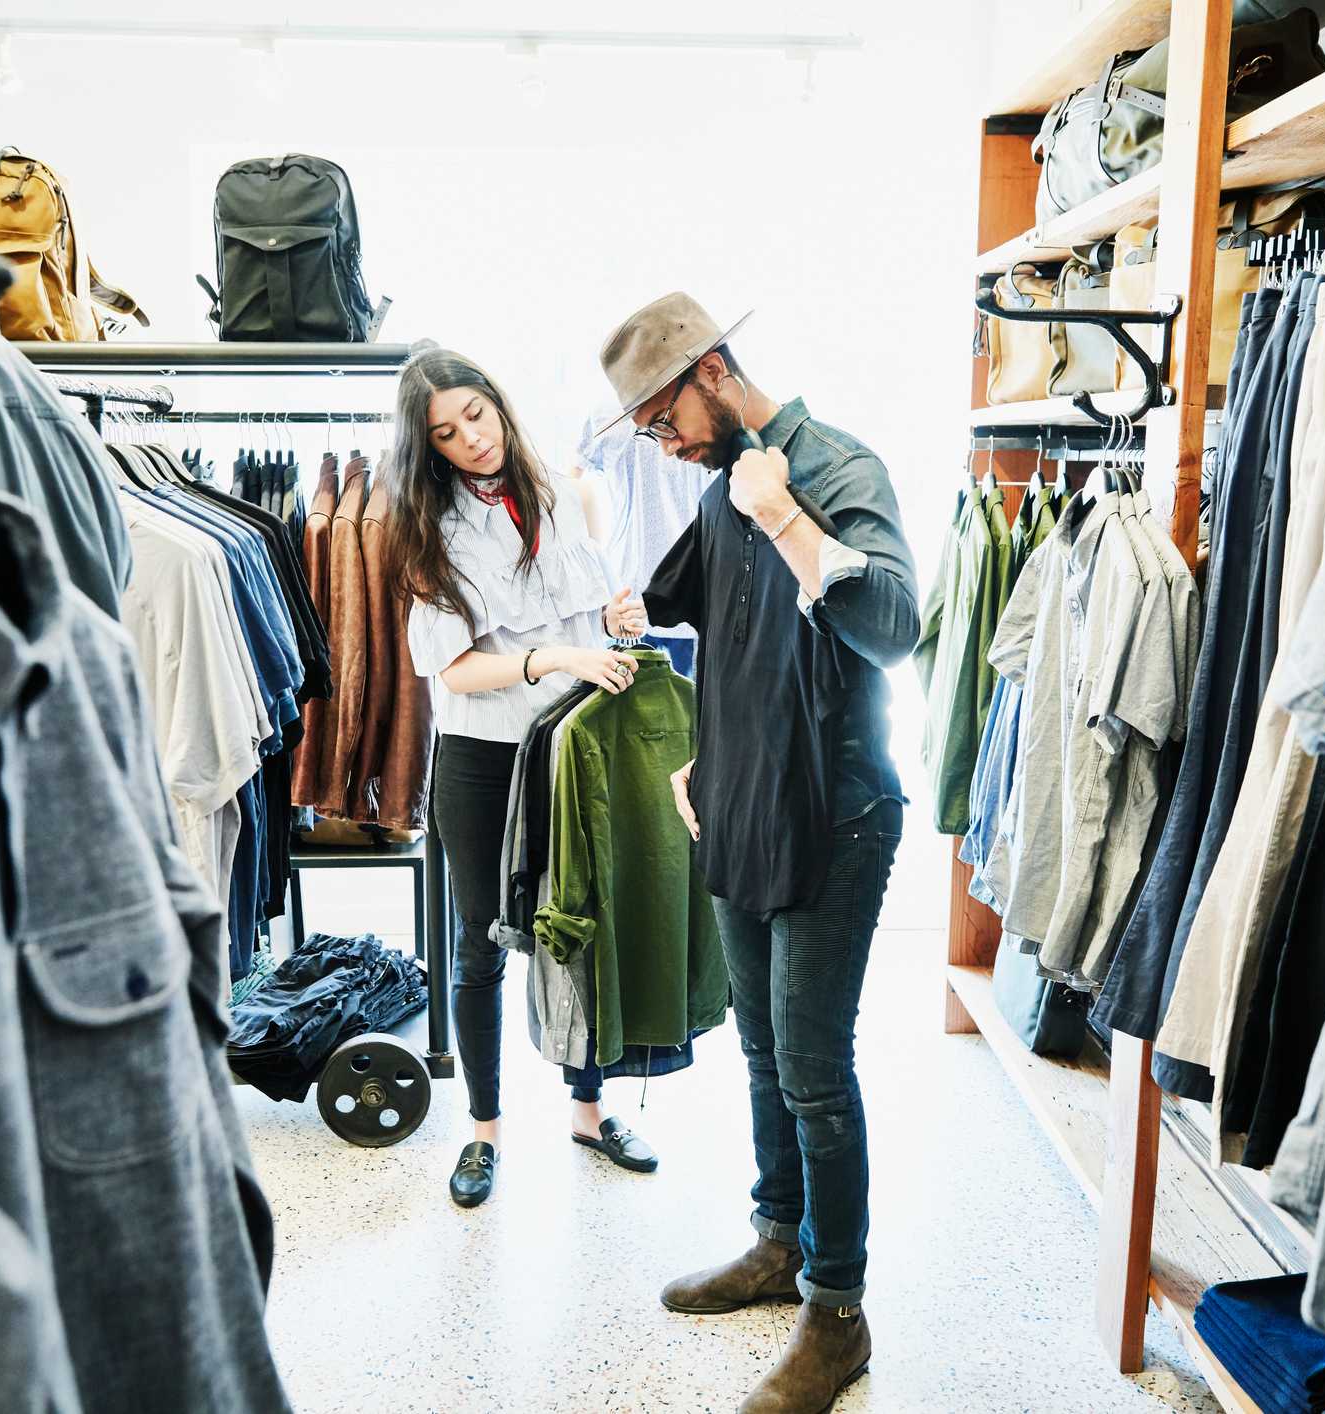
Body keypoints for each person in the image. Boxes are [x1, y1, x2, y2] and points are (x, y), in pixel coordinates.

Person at [600, 293, 918, 1414]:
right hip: (740, 805)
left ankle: (838, 1314)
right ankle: (779, 1241)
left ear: (715, 372)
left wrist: (785, 518)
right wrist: (707, 752)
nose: (665, 443)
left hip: (836, 814)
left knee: (816, 1070)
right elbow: (718, 637)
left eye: (664, 419)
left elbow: (894, 628)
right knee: (764, 1054)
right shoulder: (718, 488)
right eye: (646, 431)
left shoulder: (832, 470)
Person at [393, 349, 656, 1210]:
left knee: (583, 924)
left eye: (474, 414)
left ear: (497, 403)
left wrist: (615, 619)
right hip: (481, 756)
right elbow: (455, 670)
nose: (470, 439)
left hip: (572, 747)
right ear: (428, 447)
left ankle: (588, 1111)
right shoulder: (426, 530)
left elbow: (591, 615)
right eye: (445, 433)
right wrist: (554, 657)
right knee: (481, 945)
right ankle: (482, 1132)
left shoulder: (570, 495)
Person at [569, 405, 712, 676]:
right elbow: (571, 485)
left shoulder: (696, 408)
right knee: (627, 697)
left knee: (690, 700)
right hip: (628, 598)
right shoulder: (604, 416)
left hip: (688, 596)